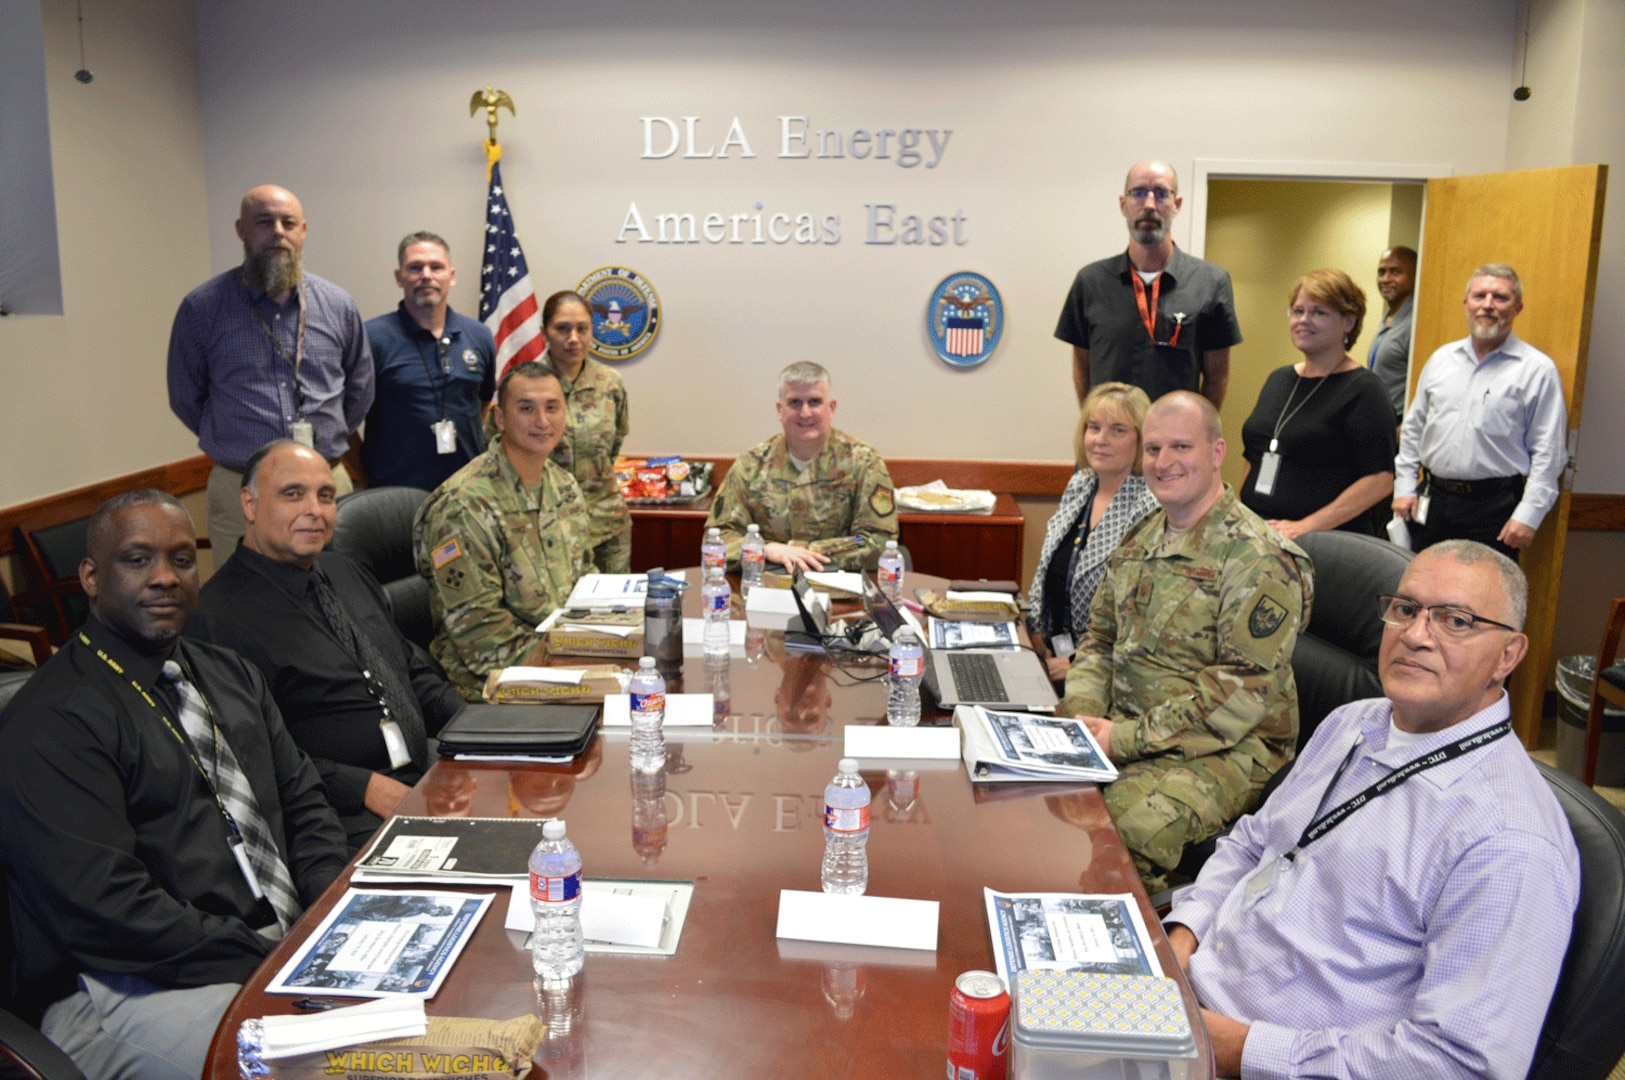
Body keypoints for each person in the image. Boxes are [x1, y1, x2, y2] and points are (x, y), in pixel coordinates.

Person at [1166, 541, 1578, 1080]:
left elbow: (1459, 1065)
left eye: (1455, 621)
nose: (1415, 635)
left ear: (1508, 655)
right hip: (1186, 992)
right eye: (1405, 610)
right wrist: (1180, 940)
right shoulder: (1355, 721)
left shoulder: (1508, 842)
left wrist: (1239, 1049)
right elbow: (1253, 844)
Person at [0, 491, 346, 1080]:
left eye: (182, 560)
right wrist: (270, 957)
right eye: (137, 560)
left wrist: (325, 919)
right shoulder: (51, 721)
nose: (164, 578)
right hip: (124, 986)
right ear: (90, 576)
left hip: (266, 946)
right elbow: (109, 912)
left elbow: (304, 802)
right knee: (338, 1066)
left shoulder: (229, 672)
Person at [1063, 392, 1312, 892]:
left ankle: (1137, 956)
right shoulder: (1141, 537)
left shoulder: (1259, 559)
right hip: (1130, 727)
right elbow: (1100, 639)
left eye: (1181, 447)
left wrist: (1121, 739)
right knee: (1044, 796)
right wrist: (1080, 721)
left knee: (1121, 827)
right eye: (1153, 449)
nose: (1163, 462)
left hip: (1231, 746)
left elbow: (1236, 698)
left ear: (1217, 453)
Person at [189, 440, 468, 851]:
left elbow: (411, 670)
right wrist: (363, 787)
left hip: (427, 771)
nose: (314, 511)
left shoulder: (345, 571)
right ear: (249, 504)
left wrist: (477, 732)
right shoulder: (215, 619)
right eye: (292, 494)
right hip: (334, 812)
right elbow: (252, 757)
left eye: (325, 496)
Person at [167, 184, 373, 556]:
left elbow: (360, 387)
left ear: (303, 231)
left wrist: (330, 434)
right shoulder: (202, 308)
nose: (278, 231)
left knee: (339, 596)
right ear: (241, 230)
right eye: (264, 222)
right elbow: (185, 396)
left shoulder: (338, 305)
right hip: (241, 490)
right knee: (243, 605)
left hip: (326, 482)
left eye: (288, 222)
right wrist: (231, 435)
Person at [415, 360, 592, 700]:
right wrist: (575, 665)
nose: (542, 421)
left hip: (561, 662)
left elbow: (584, 577)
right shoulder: (463, 506)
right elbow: (481, 634)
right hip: (490, 685)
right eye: (526, 409)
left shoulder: (563, 484)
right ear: (500, 418)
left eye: (552, 408)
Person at [1392, 264, 1567, 559]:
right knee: (1420, 586)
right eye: (1479, 295)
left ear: (1518, 307)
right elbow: (1413, 431)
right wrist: (1405, 487)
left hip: (1494, 507)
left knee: (1482, 598)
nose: (1488, 305)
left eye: (1500, 297)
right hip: (1431, 499)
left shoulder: (1537, 370)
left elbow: (1549, 453)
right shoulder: (1441, 360)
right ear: (1466, 304)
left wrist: (1528, 515)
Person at [1055, 160, 1242, 408]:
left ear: (1177, 204)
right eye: (1139, 193)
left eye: (1162, 193)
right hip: (1112, 439)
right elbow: (1082, 366)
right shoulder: (1090, 282)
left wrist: (1194, 434)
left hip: (1173, 440)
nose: (1150, 204)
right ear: (1124, 204)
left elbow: (1217, 379)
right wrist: (1096, 423)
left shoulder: (1211, 282)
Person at [1238, 269, 1396, 539]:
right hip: (1259, 533)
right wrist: (1239, 514)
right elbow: (1255, 454)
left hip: (1323, 541)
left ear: (1348, 322)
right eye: (1298, 311)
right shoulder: (1278, 379)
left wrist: (1306, 526)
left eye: (1319, 312)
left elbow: (1379, 481)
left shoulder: (1364, 390)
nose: (1303, 320)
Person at [705, 361, 898, 573]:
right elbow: (716, 539)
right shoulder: (751, 464)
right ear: (780, 410)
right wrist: (766, 549)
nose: (805, 413)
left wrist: (802, 551)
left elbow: (880, 542)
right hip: (766, 589)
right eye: (795, 403)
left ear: (831, 408)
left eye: (814, 402)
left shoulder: (864, 462)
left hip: (839, 590)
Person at [1027, 382, 1161, 681]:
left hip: (1106, 672)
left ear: (1142, 440)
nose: (1100, 439)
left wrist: (1077, 664)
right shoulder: (1080, 484)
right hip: (1050, 656)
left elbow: (1140, 616)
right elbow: (1047, 569)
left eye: (1118, 430)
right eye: (1094, 427)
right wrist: (1035, 634)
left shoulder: (1149, 507)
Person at [361, 232, 496, 491]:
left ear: (451, 276)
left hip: (466, 489)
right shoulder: (372, 337)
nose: (426, 274)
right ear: (399, 277)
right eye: (415, 267)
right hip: (394, 492)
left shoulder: (479, 335)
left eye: (436, 267)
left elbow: (483, 402)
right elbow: (347, 417)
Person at [540, 291, 632, 573]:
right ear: (544, 332)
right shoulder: (526, 384)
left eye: (582, 329)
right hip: (546, 524)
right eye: (562, 329)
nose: (573, 339)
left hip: (606, 522)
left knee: (616, 607)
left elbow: (614, 444)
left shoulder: (610, 383)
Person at [1368, 245, 1417, 421]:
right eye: (1381, 272)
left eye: (1395, 272)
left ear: (1414, 276)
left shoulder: (1415, 323)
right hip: (1378, 420)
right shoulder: (1389, 317)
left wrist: (1401, 431)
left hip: (1398, 426)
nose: (1386, 279)